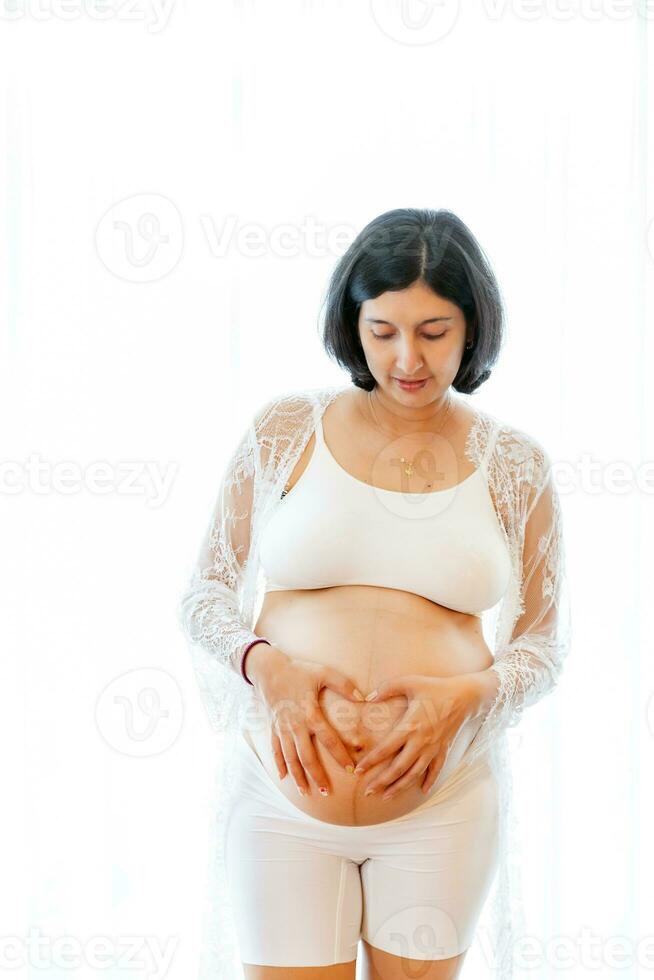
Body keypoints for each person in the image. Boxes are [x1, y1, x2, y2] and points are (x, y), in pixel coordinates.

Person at [177, 207, 572, 980]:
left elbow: (543, 646)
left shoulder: (517, 464)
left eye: (434, 330)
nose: (407, 358)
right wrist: (269, 667)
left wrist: (467, 693)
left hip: (442, 804)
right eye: (382, 329)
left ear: (473, 327)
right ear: (351, 323)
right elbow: (205, 596)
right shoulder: (284, 430)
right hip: (281, 799)